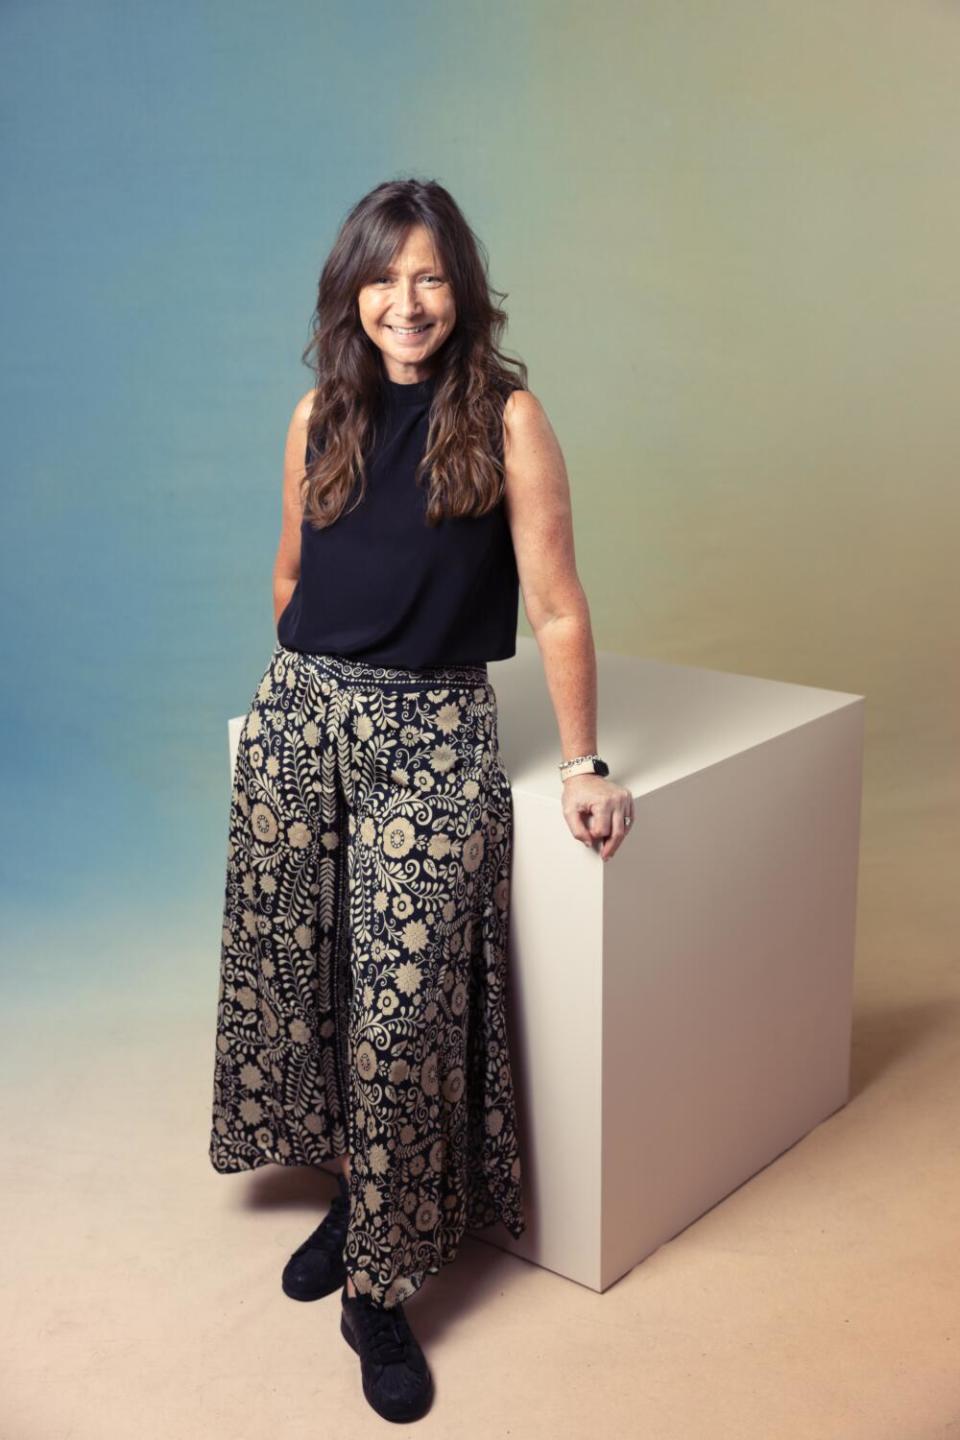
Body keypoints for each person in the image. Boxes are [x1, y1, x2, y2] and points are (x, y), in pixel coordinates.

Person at [208, 177, 634, 1423]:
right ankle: (356, 1197)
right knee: (308, 984)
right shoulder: (316, 414)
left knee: (402, 1014)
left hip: (435, 730)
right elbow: (289, 574)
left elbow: (554, 601)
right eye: (385, 276)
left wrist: (582, 761)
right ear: (352, 290)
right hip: (300, 723)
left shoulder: (506, 417)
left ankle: (378, 1294)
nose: (408, 301)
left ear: (464, 290)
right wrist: (320, 673)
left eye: (433, 275)